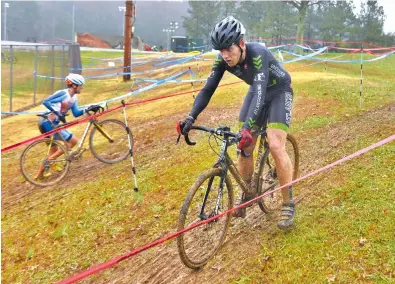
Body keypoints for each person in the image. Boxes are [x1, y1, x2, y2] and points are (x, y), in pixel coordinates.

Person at [177, 16, 295, 230]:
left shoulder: (258, 54)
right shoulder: (223, 59)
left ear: (241, 44)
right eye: (220, 51)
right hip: (257, 91)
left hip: (278, 91)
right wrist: (190, 117)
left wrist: (247, 129)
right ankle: (248, 192)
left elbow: (260, 94)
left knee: (276, 145)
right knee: (244, 146)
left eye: (228, 49)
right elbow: (207, 90)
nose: (225, 55)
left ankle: (288, 202)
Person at [35, 73, 100, 179]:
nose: (82, 87)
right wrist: (57, 112)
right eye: (81, 85)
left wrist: (88, 109)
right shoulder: (64, 93)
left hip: (48, 123)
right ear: (74, 85)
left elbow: (76, 113)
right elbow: (46, 101)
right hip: (47, 123)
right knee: (73, 141)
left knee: (54, 151)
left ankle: (39, 175)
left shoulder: (73, 97)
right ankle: (49, 161)